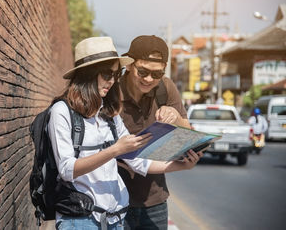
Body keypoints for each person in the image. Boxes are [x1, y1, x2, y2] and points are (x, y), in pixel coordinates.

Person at [49, 36, 201, 230]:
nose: (112, 81)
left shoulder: (109, 111)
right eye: (107, 74)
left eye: (115, 74)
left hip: (115, 216)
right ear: (87, 73)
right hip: (81, 217)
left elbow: (137, 159)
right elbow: (67, 169)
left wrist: (182, 165)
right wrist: (115, 150)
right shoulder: (62, 111)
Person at [118, 35, 203, 230]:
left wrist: (175, 116)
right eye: (143, 71)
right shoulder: (113, 92)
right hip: (116, 200)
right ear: (130, 65)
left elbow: (186, 132)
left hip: (155, 199)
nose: (149, 79)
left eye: (156, 74)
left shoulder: (165, 88)